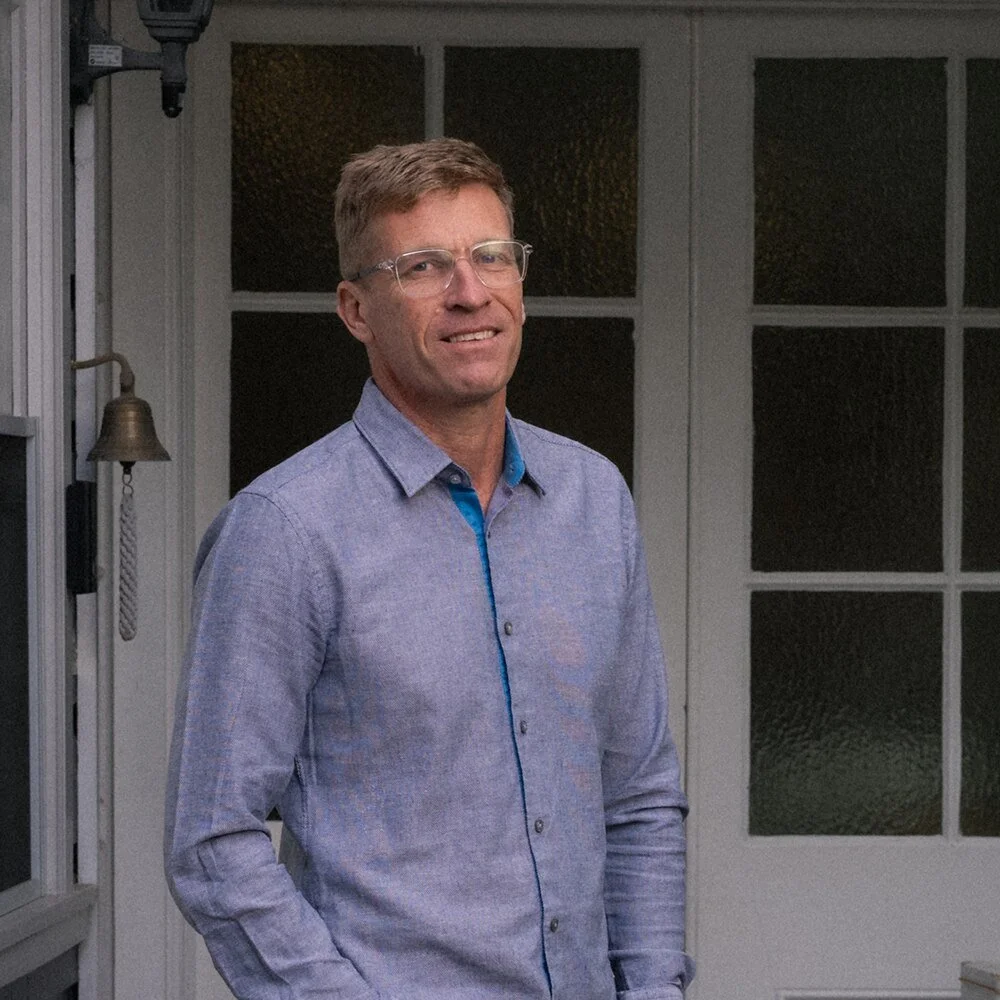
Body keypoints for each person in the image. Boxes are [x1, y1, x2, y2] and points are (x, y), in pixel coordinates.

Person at [164, 137, 694, 1000]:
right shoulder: (285, 531)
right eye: (422, 267)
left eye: (492, 256)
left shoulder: (595, 500)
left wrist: (656, 987)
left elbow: (637, 796)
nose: (469, 292)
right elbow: (211, 840)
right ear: (355, 308)